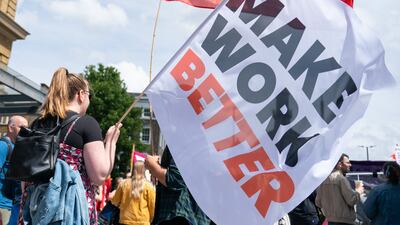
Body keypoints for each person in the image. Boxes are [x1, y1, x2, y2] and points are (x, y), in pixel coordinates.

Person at [18, 67, 122, 225]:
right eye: (89, 95)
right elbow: (100, 176)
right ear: (81, 95)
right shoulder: (86, 124)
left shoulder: (37, 124)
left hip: (35, 211)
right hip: (70, 212)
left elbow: (24, 178)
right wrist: (111, 143)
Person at [145, 146, 212, 225]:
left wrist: (153, 166)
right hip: (192, 215)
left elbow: (175, 179)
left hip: (179, 216)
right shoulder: (203, 142)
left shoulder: (184, 138)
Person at [316, 153, 364, 225]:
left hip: (330, 221)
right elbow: (351, 200)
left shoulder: (323, 180)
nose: (350, 165)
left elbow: (318, 203)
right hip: (345, 222)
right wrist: (358, 191)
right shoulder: (341, 179)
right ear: (339, 164)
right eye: (347, 163)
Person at [0, 116, 28, 225]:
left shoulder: (14, 146)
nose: (25, 130)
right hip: (2, 205)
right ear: (11, 128)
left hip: (11, 204)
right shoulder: (3, 145)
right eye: (22, 127)